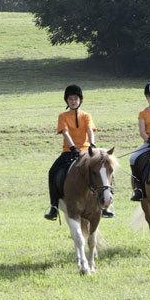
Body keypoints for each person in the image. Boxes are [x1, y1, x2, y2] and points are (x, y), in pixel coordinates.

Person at [44, 85, 110, 220]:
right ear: (67, 101)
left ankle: (107, 205)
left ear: (80, 100)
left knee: (104, 169)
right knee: (52, 172)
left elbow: (90, 130)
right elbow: (65, 133)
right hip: (69, 151)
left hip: (87, 151)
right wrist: (73, 148)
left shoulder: (86, 116)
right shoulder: (62, 116)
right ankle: (54, 207)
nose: (73, 101)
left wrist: (92, 144)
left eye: (75, 98)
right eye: (70, 99)